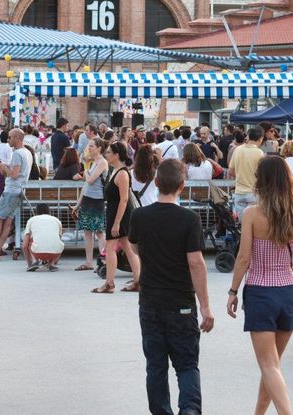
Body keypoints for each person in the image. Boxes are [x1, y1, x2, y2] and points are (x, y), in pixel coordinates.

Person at [226, 156, 293, 415]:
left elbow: (243, 258)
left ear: (260, 180)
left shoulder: (252, 213)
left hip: (260, 292)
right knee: (273, 365)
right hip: (287, 292)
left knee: (269, 366)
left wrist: (232, 291)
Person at [129, 158, 213, 415]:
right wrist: (206, 306)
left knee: (155, 365)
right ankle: (189, 410)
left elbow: (133, 247)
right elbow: (196, 263)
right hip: (181, 302)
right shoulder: (189, 219)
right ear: (182, 186)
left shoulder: (140, 216)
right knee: (187, 364)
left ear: (156, 183)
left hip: (151, 301)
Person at [92, 141, 141, 293]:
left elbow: (124, 199)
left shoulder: (122, 174)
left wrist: (117, 223)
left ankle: (109, 283)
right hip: (117, 214)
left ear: (116, 155)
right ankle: (138, 281)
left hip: (119, 216)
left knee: (111, 248)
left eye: (108, 152)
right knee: (127, 248)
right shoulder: (116, 171)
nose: (106, 154)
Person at [0, 129, 31, 262]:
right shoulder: (27, 152)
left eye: (10, 137)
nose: (8, 140)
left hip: (11, 190)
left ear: (16, 138)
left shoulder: (17, 153)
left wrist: (3, 167)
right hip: (20, 191)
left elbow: (14, 174)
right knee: (7, 222)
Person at [72, 137, 108, 272]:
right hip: (88, 199)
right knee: (87, 231)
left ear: (99, 148)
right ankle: (89, 262)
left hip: (96, 200)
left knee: (99, 231)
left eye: (92, 146)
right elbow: (86, 185)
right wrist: (78, 204)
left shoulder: (102, 162)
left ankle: (104, 260)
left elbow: (90, 180)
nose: (89, 148)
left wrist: (85, 171)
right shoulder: (93, 162)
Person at [230, 125, 265, 218]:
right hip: (254, 193)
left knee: (243, 224)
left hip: (239, 193)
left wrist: (240, 177)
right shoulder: (259, 153)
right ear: (260, 139)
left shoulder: (237, 150)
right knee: (254, 223)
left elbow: (231, 171)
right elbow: (262, 174)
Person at [24, 204, 64, 271]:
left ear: (36, 211)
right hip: (55, 253)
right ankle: (52, 263)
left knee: (30, 240)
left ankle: (33, 262)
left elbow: (24, 246)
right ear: (49, 211)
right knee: (55, 241)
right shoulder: (56, 220)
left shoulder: (31, 220)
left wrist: (29, 264)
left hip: (37, 252)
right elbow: (58, 239)